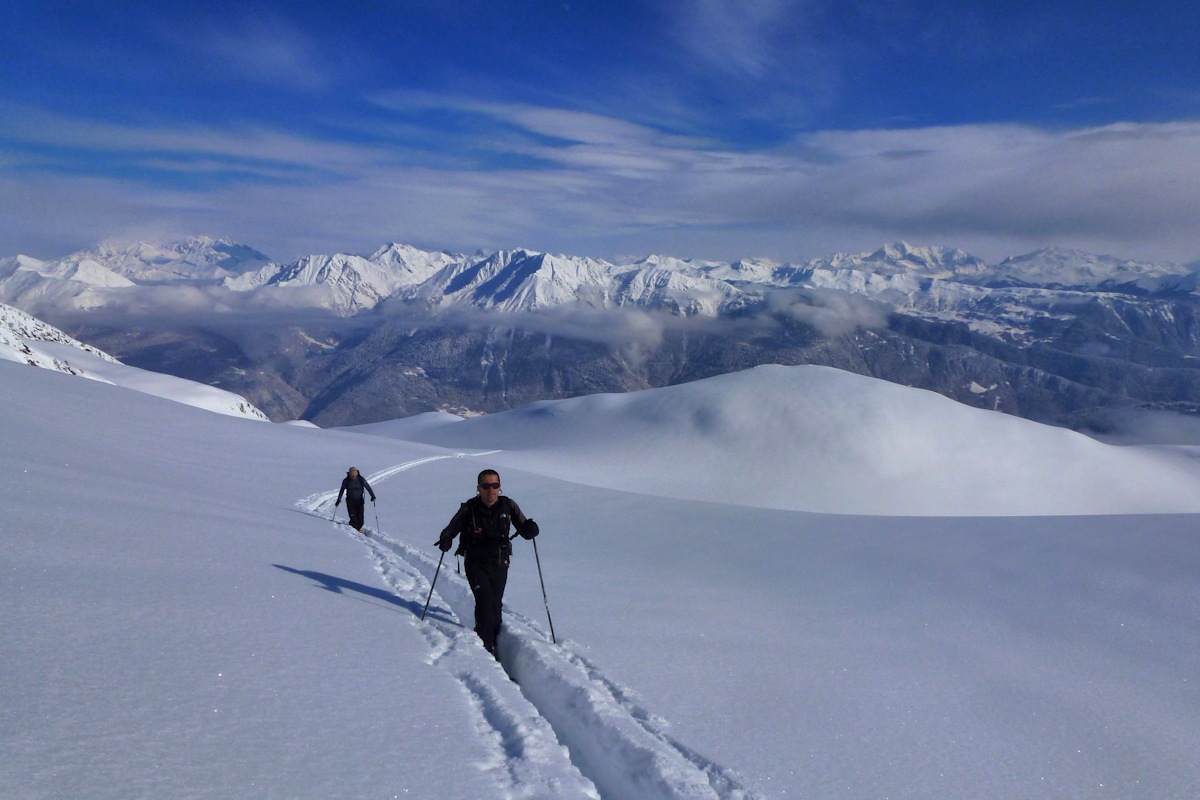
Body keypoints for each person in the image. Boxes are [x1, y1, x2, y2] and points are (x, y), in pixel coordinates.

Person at [438, 469, 539, 658]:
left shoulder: (508, 505)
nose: (490, 490)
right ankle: (485, 649)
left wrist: (531, 529)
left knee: (495, 604)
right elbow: (451, 529)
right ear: (478, 489)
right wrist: (446, 538)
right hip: (475, 563)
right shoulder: (469, 508)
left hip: (500, 561)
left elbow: (524, 528)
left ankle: (495, 639)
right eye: (485, 486)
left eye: (494, 485)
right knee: (484, 603)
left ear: (500, 487)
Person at [335, 467, 376, 531]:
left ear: (356, 474)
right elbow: (341, 490)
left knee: (360, 517)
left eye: (354, 475)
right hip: (350, 500)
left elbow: (368, 487)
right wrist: (338, 500)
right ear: (349, 475)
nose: (353, 477)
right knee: (353, 516)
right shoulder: (346, 481)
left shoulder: (361, 479)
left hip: (359, 500)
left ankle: (359, 528)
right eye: (352, 476)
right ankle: (354, 529)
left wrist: (372, 496)